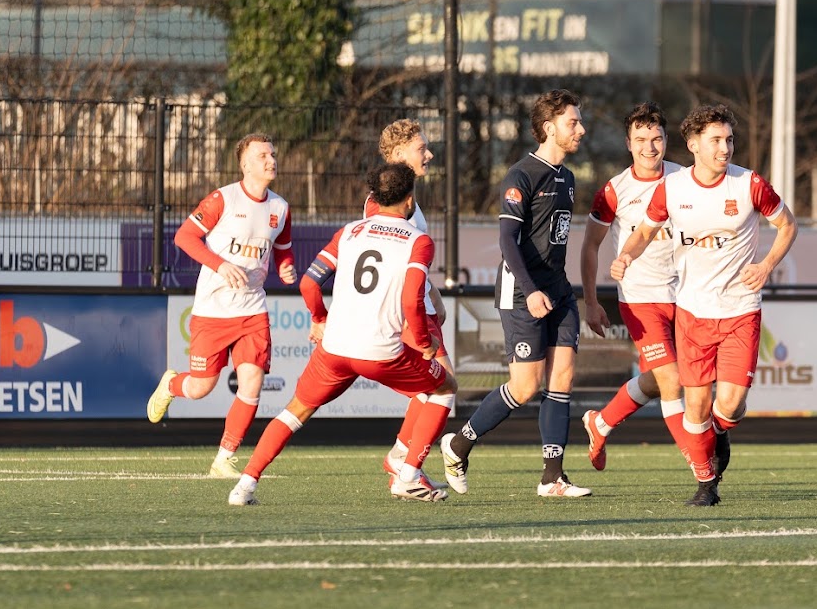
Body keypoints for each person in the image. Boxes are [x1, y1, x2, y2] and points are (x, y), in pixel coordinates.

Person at [228, 162, 457, 505]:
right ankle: (407, 476)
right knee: (443, 388)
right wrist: (425, 342)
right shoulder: (419, 240)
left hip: (334, 348)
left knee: (293, 412)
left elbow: (308, 283)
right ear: (410, 201)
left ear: (375, 199)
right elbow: (412, 298)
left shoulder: (350, 231)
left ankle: (244, 485)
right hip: (381, 351)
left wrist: (319, 319)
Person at [611, 103, 797, 506]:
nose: (725, 148)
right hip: (693, 312)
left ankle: (721, 432)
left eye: (729, 139)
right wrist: (626, 255)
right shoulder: (673, 189)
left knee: (728, 405)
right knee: (693, 406)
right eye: (715, 140)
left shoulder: (749, 184)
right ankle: (706, 483)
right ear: (694, 145)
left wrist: (766, 265)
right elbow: (644, 232)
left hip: (740, 309)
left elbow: (787, 225)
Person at [438, 88, 591, 498]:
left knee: (563, 376)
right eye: (572, 122)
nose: (581, 129)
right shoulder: (521, 175)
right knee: (524, 388)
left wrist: (556, 289)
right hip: (522, 292)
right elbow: (507, 241)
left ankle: (552, 477)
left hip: (558, 288)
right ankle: (459, 443)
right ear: (548, 127)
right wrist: (532, 289)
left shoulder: (569, 178)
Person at [146, 132, 297, 479]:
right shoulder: (222, 199)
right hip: (213, 310)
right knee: (201, 388)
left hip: (252, 309)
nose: (271, 160)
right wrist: (219, 264)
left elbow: (284, 248)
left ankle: (224, 459)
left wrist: (286, 267)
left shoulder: (280, 207)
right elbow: (184, 237)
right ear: (244, 164)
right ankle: (171, 385)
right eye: (262, 156)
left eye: (273, 154)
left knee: (252, 383)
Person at [580, 102, 686, 471]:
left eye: (656, 139)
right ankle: (702, 465)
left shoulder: (684, 179)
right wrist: (592, 302)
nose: (649, 147)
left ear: (666, 139)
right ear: (628, 143)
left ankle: (602, 422)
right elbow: (591, 245)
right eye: (641, 139)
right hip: (641, 299)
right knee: (671, 379)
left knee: (663, 380)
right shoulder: (615, 190)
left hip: (686, 297)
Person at [368, 119, 451, 494]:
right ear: (400, 155)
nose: (429, 154)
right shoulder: (382, 204)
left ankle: (402, 458)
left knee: (433, 386)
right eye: (422, 148)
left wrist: (434, 298)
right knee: (441, 385)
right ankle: (407, 471)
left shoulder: (408, 200)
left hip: (420, 304)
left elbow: (415, 262)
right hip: (405, 310)